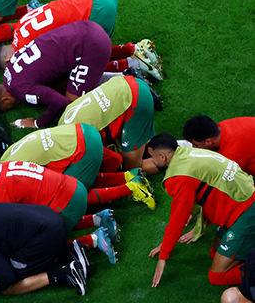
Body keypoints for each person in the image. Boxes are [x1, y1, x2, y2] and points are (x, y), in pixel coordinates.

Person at [0, 163, 120, 263]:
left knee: (40, 247)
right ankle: (99, 219)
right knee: (43, 222)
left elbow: (10, 237)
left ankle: (95, 240)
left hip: (68, 202)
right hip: (74, 187)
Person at [146, 133, 255, 288]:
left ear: (163, 157)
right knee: (214, 252)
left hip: (246, 212)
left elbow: (178, 218)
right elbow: (211, 188)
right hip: (246, 196)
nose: (152, 161)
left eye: (152, 157)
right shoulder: (190, 153)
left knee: (217, 276)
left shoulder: (179, 176)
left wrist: (163, 256)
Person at [2, 0, 164, 81]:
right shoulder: (20, 26)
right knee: (85, 55)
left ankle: (136, 66)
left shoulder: (26, 49)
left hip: (95, 14)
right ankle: (134, 50)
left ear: (8, 60)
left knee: (79, 72)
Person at [0, 20, 113, 128]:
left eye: (8, 108)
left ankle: (126, 80)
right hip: (86, 27)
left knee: (74, 105)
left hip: (92, 45)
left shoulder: (20, 89)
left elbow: (60, 102)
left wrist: (36, 123)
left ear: (5, 99)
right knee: (64, 84)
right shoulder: (9, 67)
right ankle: (128, 60)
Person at [0, 123, 156, 209]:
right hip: (84, 131)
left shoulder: (13, 183)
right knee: (75, 176)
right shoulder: (4, 160)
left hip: (81, 150)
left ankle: (132, 188)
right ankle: (128, 176)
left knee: (71, 196)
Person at [58, 75, 159, 173]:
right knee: (126, 148)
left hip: (136, 100)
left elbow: (130, 165)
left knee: (131, 168)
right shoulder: (62, 122)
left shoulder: (80, 146)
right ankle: (166, 147)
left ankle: (166, 157)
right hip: (123, 83)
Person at [183, 115, 255, 176]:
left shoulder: (230, 156)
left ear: (208, 142)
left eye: (196, 145)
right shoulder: (223, 125)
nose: (194, 147)